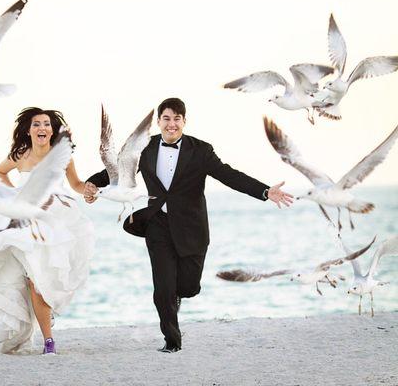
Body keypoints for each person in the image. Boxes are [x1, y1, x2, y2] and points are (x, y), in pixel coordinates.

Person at [84, 97, 293, 353]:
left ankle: (180, 295)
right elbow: (113, 170)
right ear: (159, 121)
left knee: (187, 286)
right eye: (166, 118)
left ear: (184, 121)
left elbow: (229, 175)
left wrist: (264, 191)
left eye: (176, 119)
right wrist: (92, 183)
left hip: (192, 227)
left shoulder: (201, 151)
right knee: (163, 289)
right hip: (157, 224)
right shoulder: (146, 147)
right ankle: (172, 341)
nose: (171, 124)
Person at [0, 107, 94, 355]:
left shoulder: (63, 155)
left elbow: (76, 184)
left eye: (47, 124)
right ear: (28, 130)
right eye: (37, 124)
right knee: (30, 279)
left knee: (42, 280)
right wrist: (13, 194)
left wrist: (89, 190)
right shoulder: (21, 154)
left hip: (54, 217)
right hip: (23, 221)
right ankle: (48, 341)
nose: (42, 128)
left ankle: (46, 334)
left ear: (53, 129)